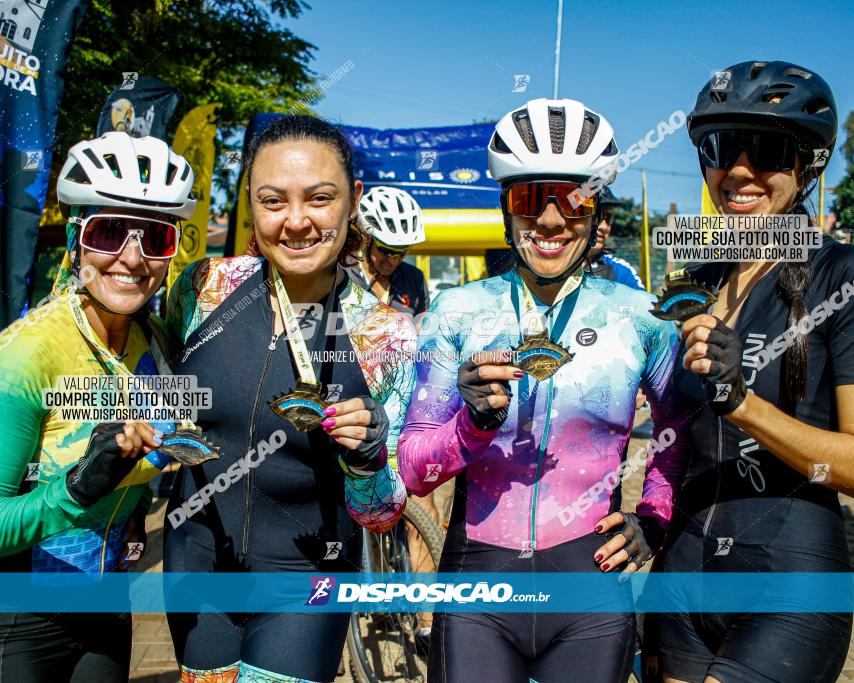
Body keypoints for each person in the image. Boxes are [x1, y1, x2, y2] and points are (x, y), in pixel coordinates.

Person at [398, 98, 688, 683]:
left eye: (574, 198)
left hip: (590, 587)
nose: (552, 220)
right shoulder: (457, 312)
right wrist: (469, 426)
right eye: (531, 198)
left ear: (598, 210)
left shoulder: (644, 318)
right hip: (477, 587)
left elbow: (677, 438)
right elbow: (413, 471)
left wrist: (653, 519)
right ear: (506, 208)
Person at [163, 115, 414, 683]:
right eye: (273, 200)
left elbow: (381, 514)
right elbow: (155, 394)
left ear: (354, 203)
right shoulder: (204, 288)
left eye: (320, 198)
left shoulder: (387, 336)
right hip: (196, 564)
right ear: (250, 205)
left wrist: (368, 458)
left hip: (310, 577)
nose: (296, 222)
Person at [654, 61, 854, 683]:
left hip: (788, 581)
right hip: (681, 578)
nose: (738, 170)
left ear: (808, 164)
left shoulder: (837, 276)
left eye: (765, 149)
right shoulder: (697, 277)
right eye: (719, 147)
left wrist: (742, 403)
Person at [0, 131, 196, 682]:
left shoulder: (155, 342)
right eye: (108, 231)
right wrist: (77, 489)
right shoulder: (25, 356)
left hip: (109, 602)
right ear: (74, 240)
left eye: (155, 237)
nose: (131, 258)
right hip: (19, 616)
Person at [349, 185, 430, 316]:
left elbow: (423, 329)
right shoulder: (341, 272)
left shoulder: (415, 279)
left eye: (402, 253)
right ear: (368, 239)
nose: (393, 261)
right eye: (386, 251)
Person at [585, 186, 646, 290]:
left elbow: (647, 305)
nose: (604, 227)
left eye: (608, 218)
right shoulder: (553, 265)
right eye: (596, 216)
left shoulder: (622, 272)